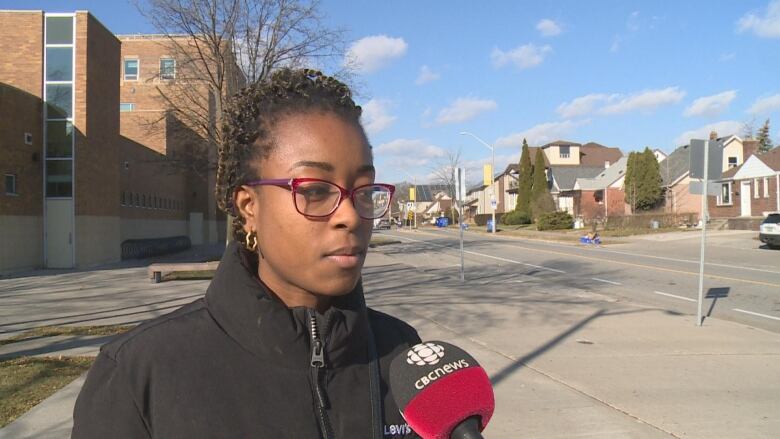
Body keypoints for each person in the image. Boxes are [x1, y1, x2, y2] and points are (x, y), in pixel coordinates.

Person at [72, 69, 422, 438]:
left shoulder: (403, 354)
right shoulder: (140, 375)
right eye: (315, 191)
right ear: (248, 206)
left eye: (365, 191)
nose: (351, 216)